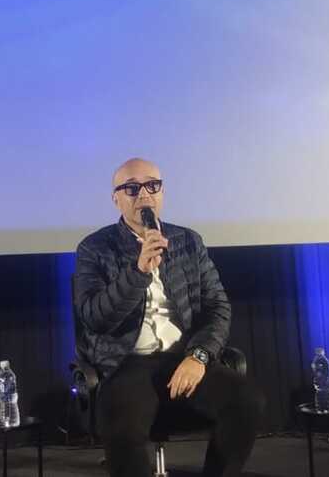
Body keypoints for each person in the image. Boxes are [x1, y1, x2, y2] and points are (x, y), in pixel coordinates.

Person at [73, 158, 263, 477]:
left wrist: (199, 356)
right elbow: (95, 318)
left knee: (247, 401)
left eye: (152, 186)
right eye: (132, 188)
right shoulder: (95, 248)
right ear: (116, 198)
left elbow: (217, 307)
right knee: (121, 428)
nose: (144, 195)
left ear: (162, 192)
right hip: (127, 363)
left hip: (184, 357)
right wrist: (137, 272)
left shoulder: (188, 241)